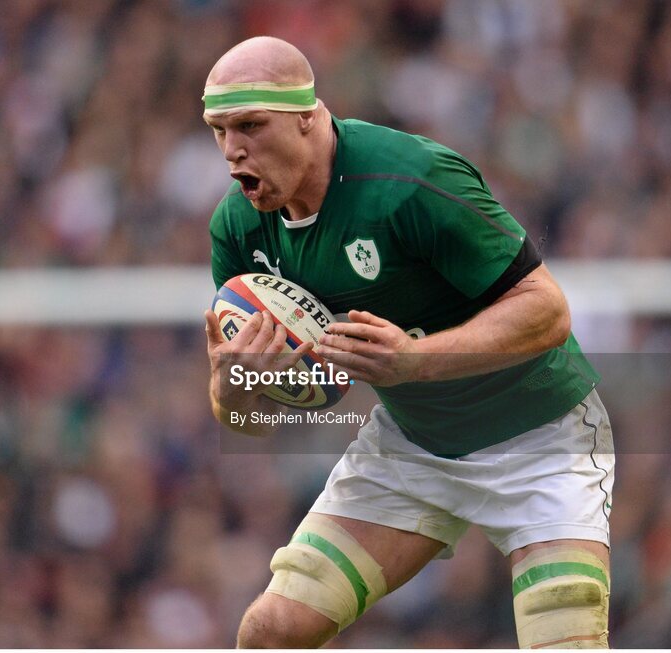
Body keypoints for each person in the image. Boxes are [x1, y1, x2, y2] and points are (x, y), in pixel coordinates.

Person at [201, 37, 614, 649]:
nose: (233, 148)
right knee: (271, 632)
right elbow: (247, 423)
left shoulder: (410, 180)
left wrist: (413, 361)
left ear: (308, 118)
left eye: (251, 125)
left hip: (540, 436)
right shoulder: (237, 228)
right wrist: (238, 381)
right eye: (218, 129)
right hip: (414, 445)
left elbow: (547, 310)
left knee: (564, 629)